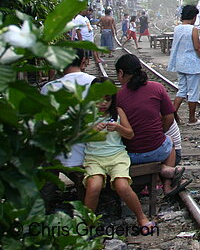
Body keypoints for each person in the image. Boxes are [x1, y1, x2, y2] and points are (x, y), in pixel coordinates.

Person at [82, 77, 155, 233]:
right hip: (94, 157)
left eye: (107, 99)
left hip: (117, 156)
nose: (103, 103)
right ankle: (88, 223)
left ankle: (141, 217)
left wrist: (118, 128)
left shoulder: (118, 112)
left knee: (122, 186)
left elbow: (130, 134)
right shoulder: (87, 113)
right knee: (93, 186)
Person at [115, 54, 187, 197]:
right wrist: (159, 133)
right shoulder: (157, 88)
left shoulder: (118, 96)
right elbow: (169, 117)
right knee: (170, 142)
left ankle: (162, 172)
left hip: (130, 155)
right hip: (157, 150)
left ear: (121, 73)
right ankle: (167, 185)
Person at [40, 49, 95, 177]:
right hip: (89, 155)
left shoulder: (48, 88)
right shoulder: (96, 83)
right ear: (83, 61)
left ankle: (46, 193)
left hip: (56, 156)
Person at [168, 4, 200, 125]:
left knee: (181, 90)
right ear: (193, 17)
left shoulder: (177, 28)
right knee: (193, 92)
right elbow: (198, 48)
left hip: (180, 63)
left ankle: (171, 117)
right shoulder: (193, 29)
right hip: (192, 64)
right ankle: (192, 119)